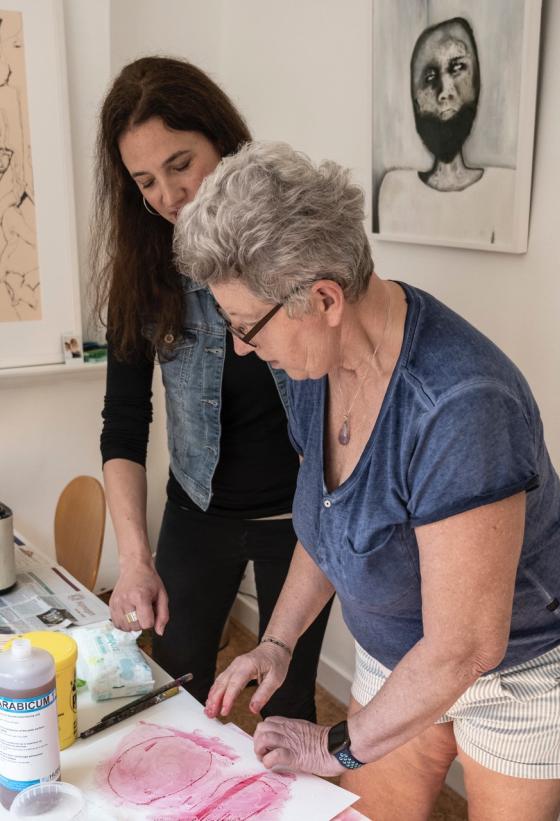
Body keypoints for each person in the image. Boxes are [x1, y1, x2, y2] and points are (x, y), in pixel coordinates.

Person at [174, 141, 560, 821]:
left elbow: (465, 646)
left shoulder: (460, 404)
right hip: (405, 645)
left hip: (522, 667)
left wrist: (334, 744)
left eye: (244, 327)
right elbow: (326, 526)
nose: (239, 347)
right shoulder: (316, 368)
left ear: (323, 298)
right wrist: (278, 640)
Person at [90, 57, 332, 716]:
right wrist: (134, 557)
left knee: (285, 707)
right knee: (174, 689)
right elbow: (123, 423)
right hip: (199, 513)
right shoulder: (143, 272)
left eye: (179, 164)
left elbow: (344, 402)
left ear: (223, 144)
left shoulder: (296, 249)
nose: (167, 196)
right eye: (144, 180)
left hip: (299, 519)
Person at [378, 17, 516, 244]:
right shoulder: (394, 190)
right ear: (415, 100)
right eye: (430, 76)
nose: (445, 91)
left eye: (457, 67)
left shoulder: (504, 188)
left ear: (476, 82)